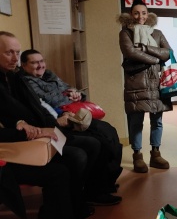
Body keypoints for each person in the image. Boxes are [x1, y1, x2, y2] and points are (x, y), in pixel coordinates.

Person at [0, 31, 108, 219]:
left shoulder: (13, 77)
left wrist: (44, 128)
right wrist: (27, 131)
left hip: (24, 145)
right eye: (8, 52)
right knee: (61, 169)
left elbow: (29, 112)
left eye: (17, 53)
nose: (14, 58)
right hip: (8, 154)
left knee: (77, 155)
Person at [20, 49, 123, 196]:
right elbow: (48, 100)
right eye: (34, 62)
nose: (40, 65)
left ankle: (105, 181)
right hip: (61, 118)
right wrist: (66, 96)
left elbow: (70, 88)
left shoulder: (50, 75)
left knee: (110, 131)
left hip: (72, 112)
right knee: (100, 140)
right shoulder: (26, 83)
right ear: (24, 65)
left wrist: (75, 93)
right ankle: (95, 188)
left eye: (41, 61)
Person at [118, 0, 172, 173]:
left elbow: (168, 52)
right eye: (136, 13)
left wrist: (147, 49)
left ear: (148, 14)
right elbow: (130, 52)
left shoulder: (157, 33)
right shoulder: (125, 33)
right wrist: (156, 59)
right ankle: (137, 156)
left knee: (157, 120)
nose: (140, 16)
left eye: (143, 13)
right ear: (131, 15)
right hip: (136, 82)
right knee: (136, 121)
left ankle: (156, 154)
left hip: (157, 82)